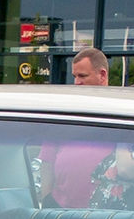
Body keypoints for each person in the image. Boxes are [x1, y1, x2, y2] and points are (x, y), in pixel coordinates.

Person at [38, 47, 112, 207]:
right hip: (62, 214)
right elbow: (47, 162)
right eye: (75, 76)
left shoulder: (122, 112)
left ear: (102, 75)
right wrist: (46, 203)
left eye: (83, 76)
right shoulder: (64, 114)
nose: (77, 82)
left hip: (108, 214)